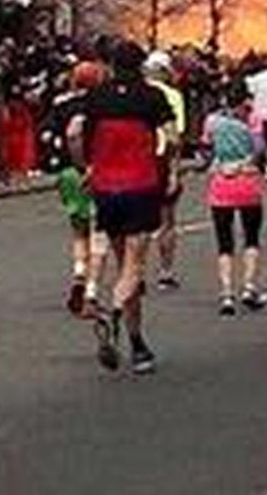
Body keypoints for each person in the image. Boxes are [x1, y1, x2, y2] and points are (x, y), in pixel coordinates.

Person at [70, 41, 178, 375]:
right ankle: (116, 315)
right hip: (141, 185)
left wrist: (86, 166)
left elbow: (75, 133)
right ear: (141, 66)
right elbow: (172, 136)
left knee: (120, 262)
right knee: (134, 268)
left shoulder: (96, 97)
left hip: (106, 187)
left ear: (112, 66)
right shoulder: (152, 96)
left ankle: (137, 341)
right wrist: (170, 169)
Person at [46, 60, 109, 318]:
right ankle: (91, 293)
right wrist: (85, 164)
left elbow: (48, 134)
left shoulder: (61, 104)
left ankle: (79, 273)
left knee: (79, 231)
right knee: (99, 234)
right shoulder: (102, 105)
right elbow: (75, 133)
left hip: (67, 173)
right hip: (94, 171)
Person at [201, 81, 266, 316]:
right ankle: (249, 286)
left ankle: (226, 293)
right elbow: (260, 150)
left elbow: (206, 148)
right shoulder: (253, 120)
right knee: (251, 237)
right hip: (247, 181)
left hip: (222, 182)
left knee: (224, 242)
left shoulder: (212, 122)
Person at [145, 51, 187, 291]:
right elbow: (175, 137)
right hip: (160, 159)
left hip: (137, 161)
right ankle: (165, 271)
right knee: (167, 220)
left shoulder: (136, 92)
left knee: (137, 222)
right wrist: (174, 171)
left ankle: (135, 270)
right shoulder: (172, 96)